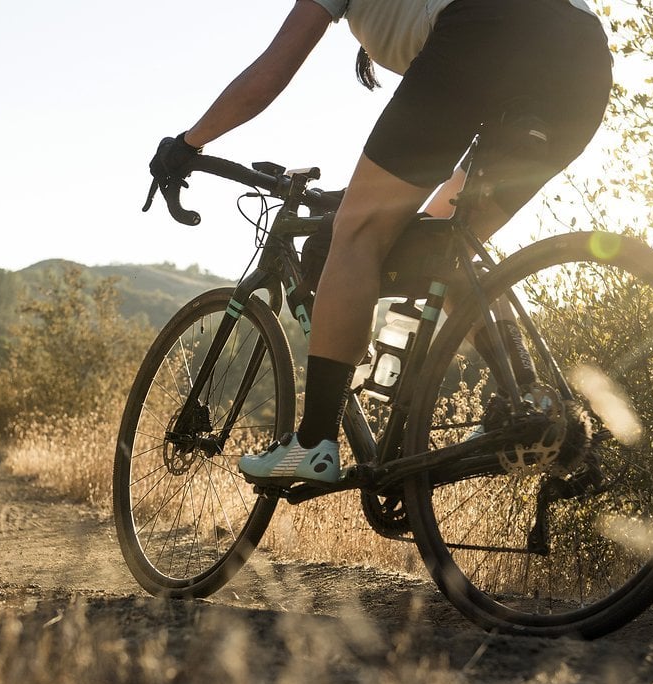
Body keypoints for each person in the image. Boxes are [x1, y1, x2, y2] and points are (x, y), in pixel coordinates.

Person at [148, 0, 612, 484]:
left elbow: (271, 71)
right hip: (580, 56)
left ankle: (312, 445)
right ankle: (533, 409)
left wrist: (187, 144)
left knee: (356, 234)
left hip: (488, 28)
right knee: (442, 244)